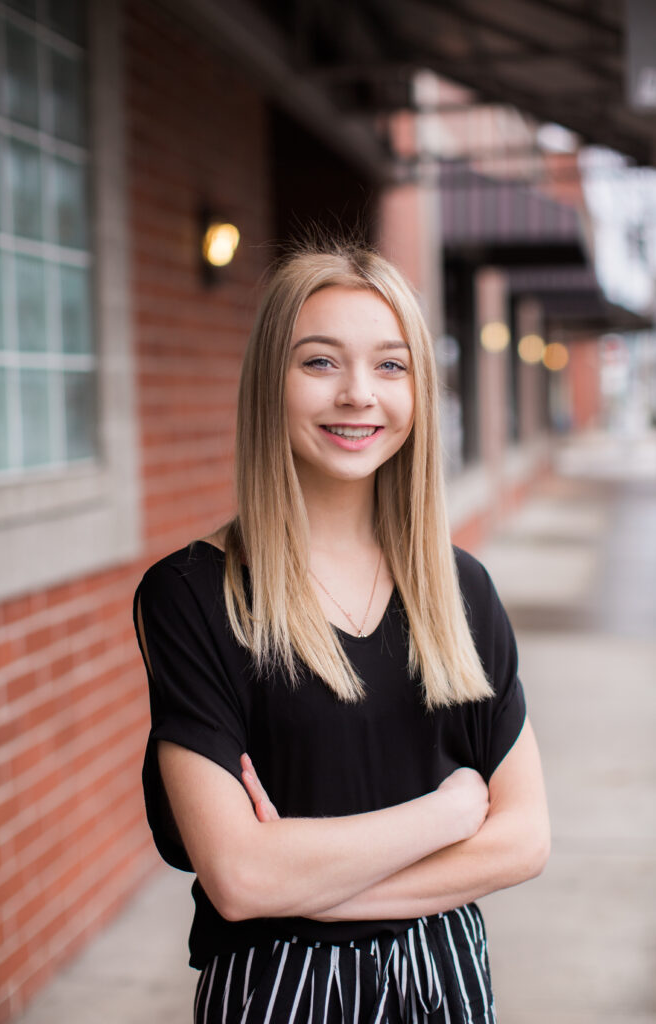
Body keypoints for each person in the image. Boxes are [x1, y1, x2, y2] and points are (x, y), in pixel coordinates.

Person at [133, 242, 550, 1024]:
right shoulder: (193, 595)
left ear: (419, 390)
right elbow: (240, 878)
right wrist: (448, 816)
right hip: (279, 992)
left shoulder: (458, 588)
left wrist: (313, 886)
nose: (359, 395)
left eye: (391, 367)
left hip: (446, 980)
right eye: (320, 363)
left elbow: (524, 839)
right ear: (269, 384)